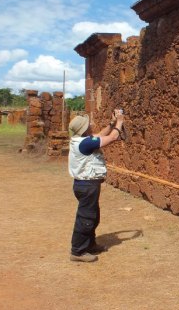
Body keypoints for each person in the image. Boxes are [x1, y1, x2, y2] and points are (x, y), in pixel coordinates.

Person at [67, 109, 124, 262]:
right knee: (86, 217)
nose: (91, 125)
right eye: (88, 124)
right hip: (87, 186)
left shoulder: (81, 139)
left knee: (92, 216)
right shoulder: (85, 143)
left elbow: (99, 135)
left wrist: (111, 124)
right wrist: (120, 122)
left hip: (85, 185)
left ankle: (90, 244)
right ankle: (77, 251)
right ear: (84, 128)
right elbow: (112, 138)